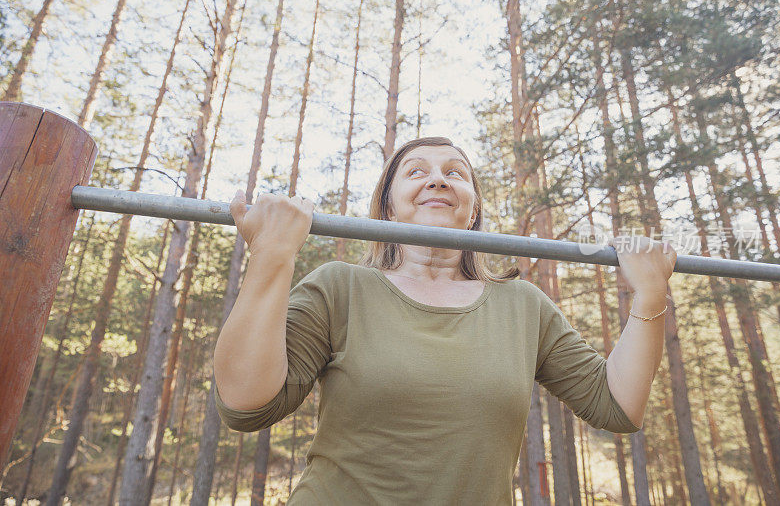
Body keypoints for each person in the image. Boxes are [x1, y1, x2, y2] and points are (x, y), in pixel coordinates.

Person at [214, 136, 677, 505]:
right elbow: (246, 405)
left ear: (472, 208)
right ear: (389, 207)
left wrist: (651, 293)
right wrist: (273, 253)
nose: (438, 180)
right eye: (417, 172)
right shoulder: (341, 288)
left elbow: (617, 405)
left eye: (454, 173)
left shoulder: (522, 305)